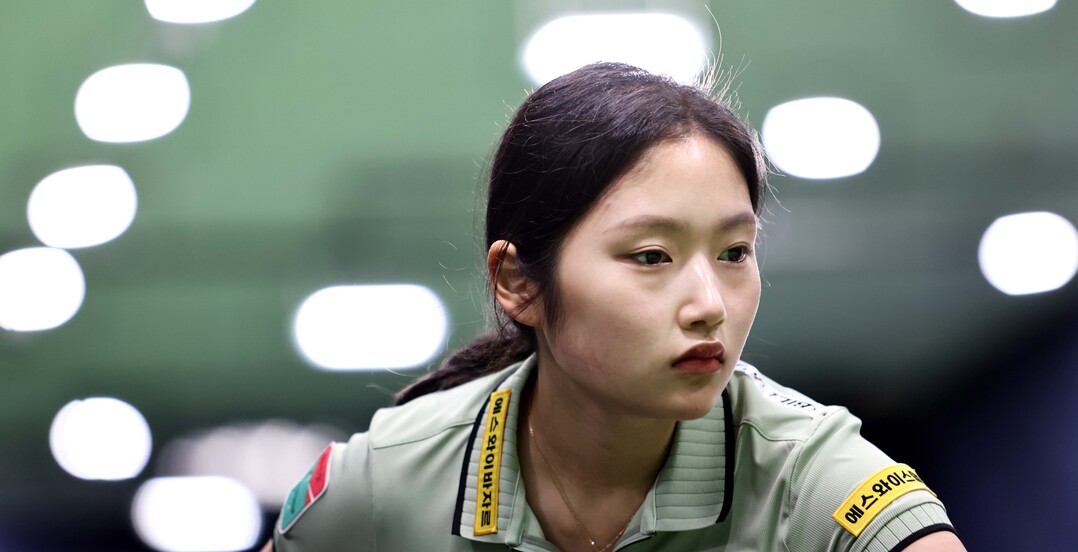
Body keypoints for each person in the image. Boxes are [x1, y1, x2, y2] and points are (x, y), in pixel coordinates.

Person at [267, 62, 966, 552]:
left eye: (735, 252)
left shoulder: (810, 478)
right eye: (652, 257)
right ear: (518, 283)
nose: (709, 306)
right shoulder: (386, 480)